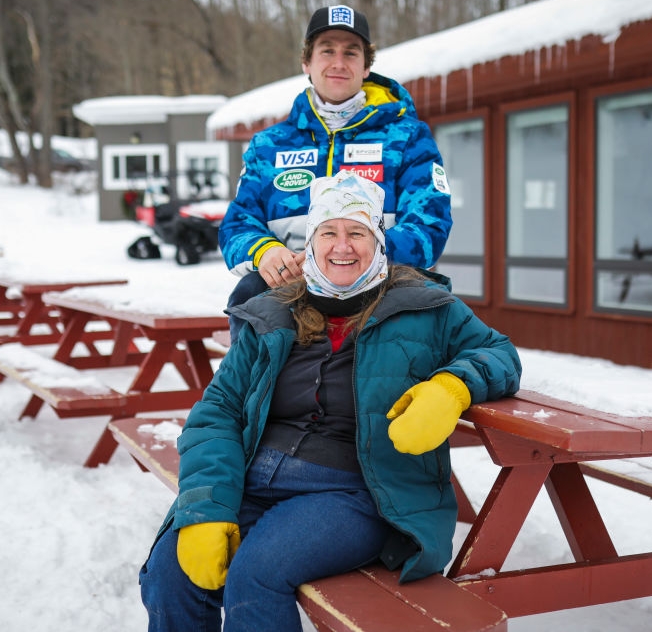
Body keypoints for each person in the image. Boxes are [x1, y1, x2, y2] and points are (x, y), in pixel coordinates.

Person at [139, 173, 521, 632]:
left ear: (378, 241)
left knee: (256, 574)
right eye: (329, 232)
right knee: (169, 573)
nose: (343, 246)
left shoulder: (426, 306)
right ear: (311, 243)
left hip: (354, 492)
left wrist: (451, 388)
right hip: (253, 477)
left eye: (357, 232)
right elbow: (217, 412)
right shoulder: (272, 312)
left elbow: (500, 354)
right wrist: (207, 507)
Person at [219, 4, 452, 341]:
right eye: (327, 50)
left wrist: (360, 259)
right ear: (307, 62)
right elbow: (237, 224)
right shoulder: (268, 145)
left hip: (380, 290)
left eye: (351, 52)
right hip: (292, 290)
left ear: (366, 65)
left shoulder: (407, 137)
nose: (339, 63)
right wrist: (265, 252)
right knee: (251, 292)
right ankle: (251, 392)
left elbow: (430, 222)